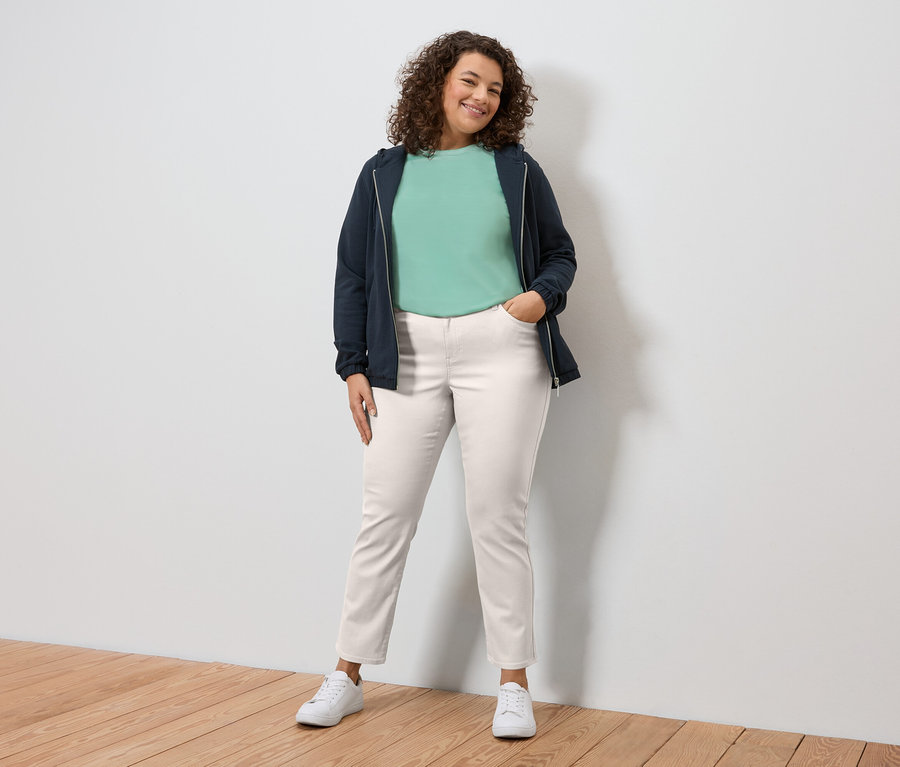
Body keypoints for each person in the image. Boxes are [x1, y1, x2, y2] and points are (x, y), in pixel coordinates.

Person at [296, 30, 579, 739]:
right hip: (404, 352)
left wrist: (540, 298)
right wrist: (351, 362)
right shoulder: (382, 172)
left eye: (495, 90)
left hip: (502, 348)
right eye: (471, 81)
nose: (482, 97)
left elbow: (559, 253)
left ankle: (513, 685)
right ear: (438, 82)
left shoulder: (515, 169)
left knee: (497, 517)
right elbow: (353, 272)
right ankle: (347, 674)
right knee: (384, 514)